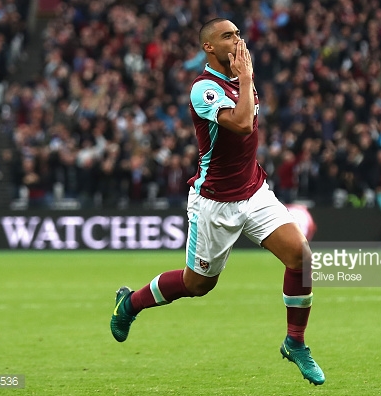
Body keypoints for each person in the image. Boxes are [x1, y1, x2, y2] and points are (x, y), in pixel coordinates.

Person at [109, 18, 325, 386]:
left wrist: (244, 78)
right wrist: (247, 78)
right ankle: (130, 303)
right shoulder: (204, 88)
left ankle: (295, 342)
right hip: (216, 202)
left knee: (300, 257)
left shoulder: (240, 79)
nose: (237, 40)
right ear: (209, 47)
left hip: (254, 192)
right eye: (228, 36)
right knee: (198, 285)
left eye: (239, 34)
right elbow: (241, 125)